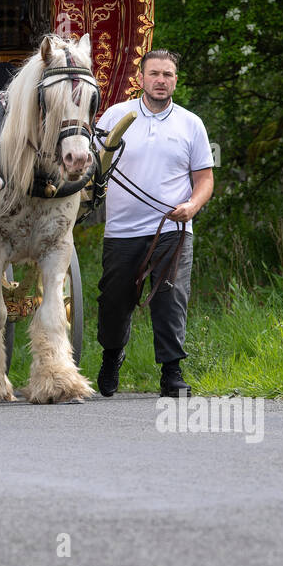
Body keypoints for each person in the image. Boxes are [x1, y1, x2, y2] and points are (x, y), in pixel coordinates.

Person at [94, 49, 214, 398]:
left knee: (170, 297)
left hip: (172, 230)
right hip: (122, 230)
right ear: (141, 78)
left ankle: (172, 373)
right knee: (114, 300)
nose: (161, 80)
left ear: (176, 80)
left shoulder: (191, 124)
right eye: (155, 74)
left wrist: (192, 206)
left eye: (168, 75)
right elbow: (93, 167)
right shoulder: (116, 116)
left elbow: (205, 179)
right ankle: (112, 357)